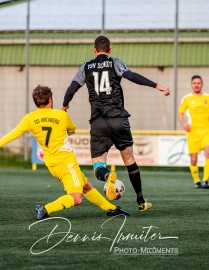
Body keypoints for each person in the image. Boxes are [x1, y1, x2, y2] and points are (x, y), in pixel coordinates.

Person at [0, 85, 129, 219]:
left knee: (86, 185)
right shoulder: (61, 116)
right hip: (66, 163)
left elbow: (13, 133)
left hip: (52, 165)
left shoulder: (29, 118)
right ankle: (46, 209)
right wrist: (62, 116)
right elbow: (72, 130)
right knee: (76, 198)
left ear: (36, 102)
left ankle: (112, 209)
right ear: (50, 99)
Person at [61, 35, 170, 212]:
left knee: (98, 167)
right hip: (119, 119)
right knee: (129, 160)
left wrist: (65, 105)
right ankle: (141, 201)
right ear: (109, 50)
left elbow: (71, 89)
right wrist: (158, 86)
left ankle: (108, 175)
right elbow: (132, 76)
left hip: (98, 122)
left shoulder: (86, 67)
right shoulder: (115, 63)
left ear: (94, 51)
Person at [177, 75, 209, 189]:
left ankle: (205, 180)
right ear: (191, 85)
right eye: (194, 83)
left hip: (206, 130)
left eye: (198, 83)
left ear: (202, 85)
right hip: (192, 131)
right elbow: (180, 113)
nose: (196, 85)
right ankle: (196, 181)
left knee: (208, 152)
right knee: (193, 159)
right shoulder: (187, 99)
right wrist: (184, 124)